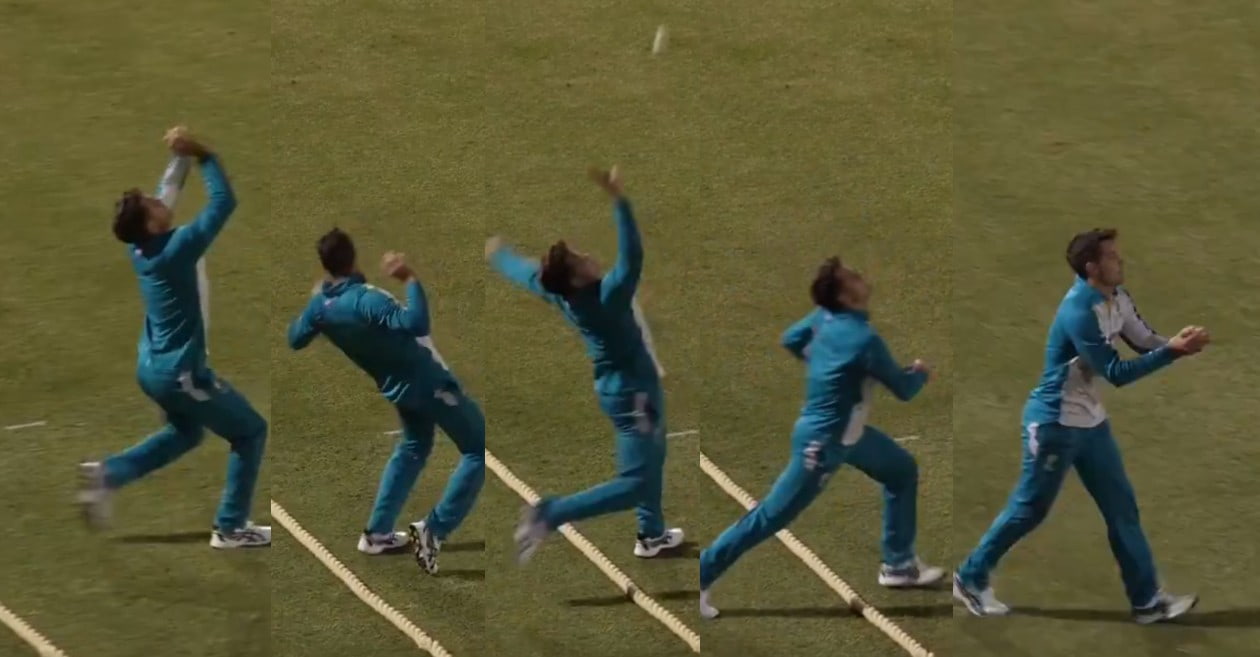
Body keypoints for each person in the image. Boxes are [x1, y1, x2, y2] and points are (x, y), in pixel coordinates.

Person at [954, 228, 1208, 624]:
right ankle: (970, 577)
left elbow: (1143, 341)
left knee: (1122, 508)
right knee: (1030, 509)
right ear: (1092, 267)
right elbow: (1117, 372)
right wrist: (1173, 352)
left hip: (1090, 423)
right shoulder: (1079, 312)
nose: (1120, 261)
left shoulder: (1117, 298)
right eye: (1111, 256)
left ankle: (1146, 602)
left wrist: (1175, 343)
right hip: (1054, 422)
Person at [698, 256, 944, 619]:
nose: (861, 276)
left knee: (901, 470)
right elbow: (904, 389)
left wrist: (827, 367)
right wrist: (920, 372)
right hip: (824, 446)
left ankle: (898, 564)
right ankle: (702, 576)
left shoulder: (824, 318)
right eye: (852, 277)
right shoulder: (864, 339)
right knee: (769, 517)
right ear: (845, 297)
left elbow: (791, 339)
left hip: (849, 436)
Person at [79, 126, 270, 549]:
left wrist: (179, 154)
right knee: (250, 432)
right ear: (150, 222)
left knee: (187, 433)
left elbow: (167, 189)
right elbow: (224, 202)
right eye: (151, 204)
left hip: (151, 365)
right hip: (181, 373)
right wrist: (204, 154)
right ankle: (231, 528)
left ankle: (109, 474)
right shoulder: (177, 248)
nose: (157, 199)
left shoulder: (142, 247)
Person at [486, 166, 682, 564]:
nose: (590, 257)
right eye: (581, 260)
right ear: (576, 279)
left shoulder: (561, 293)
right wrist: (619, 201)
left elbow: (526, 274)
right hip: (634, 395)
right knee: (635, 483)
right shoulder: (607, 298)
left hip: (622, 388)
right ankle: (550, 514)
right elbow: (632, 257)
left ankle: (652, 534)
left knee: (653, 453)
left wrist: (500, 256)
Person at [287, 229, 485, 575]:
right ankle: (433, 530)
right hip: (428, 382)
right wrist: (409, 278)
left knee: (414, 446)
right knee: (475, 448)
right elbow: (416, 322)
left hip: (396, 388)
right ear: (352, 257)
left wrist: (315, 302)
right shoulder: (367, 300)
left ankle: (377, 533)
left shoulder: (322, 308)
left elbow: (296, 338)